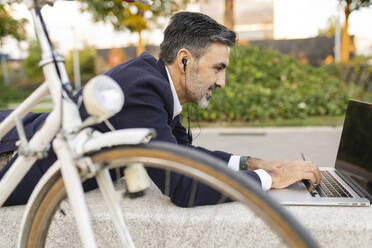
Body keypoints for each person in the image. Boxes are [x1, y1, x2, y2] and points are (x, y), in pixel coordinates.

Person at [0, 11, 321, 207]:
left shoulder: (154, 81)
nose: (222, 82)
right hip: (9, 159)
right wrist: (270, 179)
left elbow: (183, 154)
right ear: (185, 60)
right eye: (218, 68)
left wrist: (252, 163)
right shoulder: (142, 89)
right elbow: (181, 187)